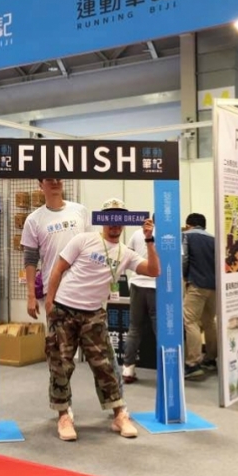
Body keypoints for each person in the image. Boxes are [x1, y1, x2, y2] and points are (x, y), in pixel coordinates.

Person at [45, 198, 160, 441]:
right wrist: (49, 302)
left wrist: (149, 240)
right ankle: (64, 415)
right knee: (60, 364)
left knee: (105, 365)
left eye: (119, 218)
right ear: (103, 219)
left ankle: (119, 414)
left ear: (124, 221)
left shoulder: (125, 253)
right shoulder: (84, 240)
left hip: (94, 314)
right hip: (64, 309)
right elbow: (58, 268)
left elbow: (153, 271)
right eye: (110, 217)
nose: (114, 223)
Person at [22, 178, 123, 417]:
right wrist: (31, 295)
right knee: (59, 358)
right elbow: (30, 259)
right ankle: (63, 412)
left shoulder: (80, 211)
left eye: (59, 177)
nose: (55, 182)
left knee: (103, 356)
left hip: (86, 294)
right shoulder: (34, 219)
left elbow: (94, 246)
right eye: (49, 179)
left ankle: (118, 409)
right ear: (41, 185)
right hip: (56, 296)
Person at [182, 213, 217, 379]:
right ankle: (211, 359)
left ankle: (193, 363)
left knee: (190, 321)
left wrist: (184, 276)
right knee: (209, 322)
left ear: (189, 224)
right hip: (214, 286)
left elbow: (184, 259)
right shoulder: (213, 239)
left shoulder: (186, 236)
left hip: (196, 284)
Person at [121, 227, 157, 384]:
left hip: (136, 284)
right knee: (160, 328)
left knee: (134, 328)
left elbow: (126, 255)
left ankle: (128, 369)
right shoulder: (169, 234)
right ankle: (166, 368)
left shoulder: (136, 233)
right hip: (158, 286)